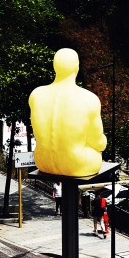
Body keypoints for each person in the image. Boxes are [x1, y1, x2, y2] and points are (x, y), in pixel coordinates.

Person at [28, 48, 107, 178]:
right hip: (78, 164)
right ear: (77, 68)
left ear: (54, 67)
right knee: (97, 153)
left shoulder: (36, 95)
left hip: (42, 162)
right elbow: (99, 144)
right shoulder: (88, 98)